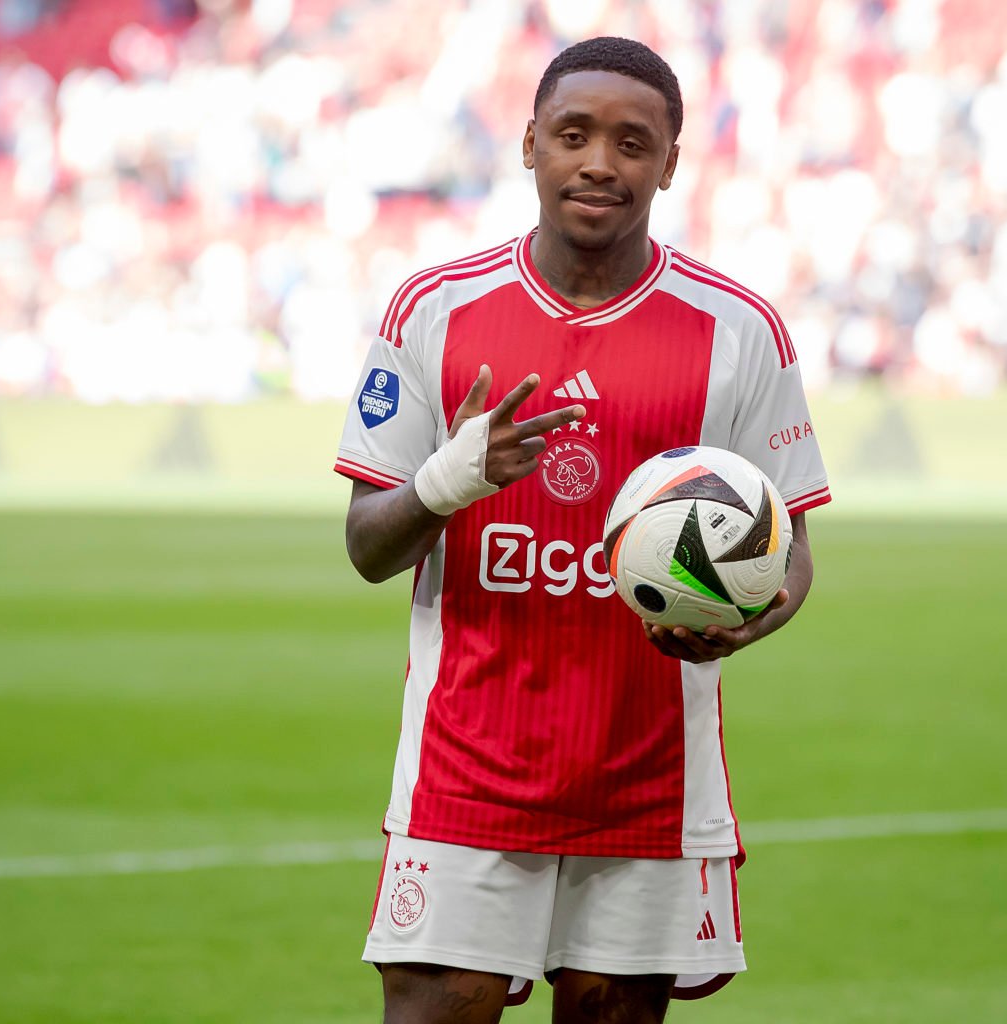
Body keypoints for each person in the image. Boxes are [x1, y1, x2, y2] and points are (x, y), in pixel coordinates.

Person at [334, 36, 830, 1024]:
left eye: (633, 142)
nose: (601, 161)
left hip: (647, 778)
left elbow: (794, 553)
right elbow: (367, 546)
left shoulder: (737, 330)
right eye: (573, 135)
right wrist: (449, 479)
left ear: (671, 163)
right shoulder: (435, 309)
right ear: (529, 144)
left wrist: (750, 616)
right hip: (464, 769)